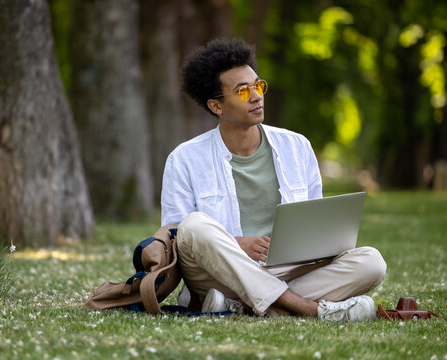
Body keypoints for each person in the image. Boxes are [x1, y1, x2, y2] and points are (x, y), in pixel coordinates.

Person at [160, 38, 386, 321]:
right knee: (192, 225)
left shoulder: (297, 147)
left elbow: (315, 218)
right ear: (216, 106)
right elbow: (175, 237)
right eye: (243, 91)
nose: (256, 96)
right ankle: (310, 309)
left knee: (371, 262)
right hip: (219, 274)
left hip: (285, 268)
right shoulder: (184, 159)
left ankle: (245, 307)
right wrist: (235, 243)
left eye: (258, 86)